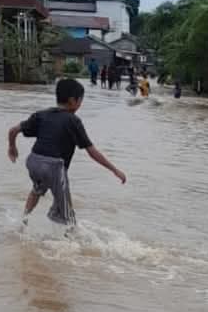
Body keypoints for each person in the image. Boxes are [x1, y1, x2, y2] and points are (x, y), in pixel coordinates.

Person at [7, 78, 126, 227]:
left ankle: (23, 221)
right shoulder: (73, 120)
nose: (80, 104)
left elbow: (13, 131)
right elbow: (92, 151)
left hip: (33, 162)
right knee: (68, 213)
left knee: (37, 190)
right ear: (72, 101)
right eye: (80, 100)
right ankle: (71, 239)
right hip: (53, 167)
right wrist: (114, 170)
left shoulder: (41, 115)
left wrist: (12, 147)